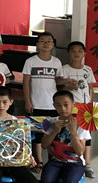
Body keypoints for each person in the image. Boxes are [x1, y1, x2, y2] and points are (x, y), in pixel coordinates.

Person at [22, 32, 73, 172]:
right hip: (36, 103)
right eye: (42, 41)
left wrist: (68, 81)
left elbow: (58, 81)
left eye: (49, 41)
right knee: (38, 135)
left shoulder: (56, 62)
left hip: (53, 105)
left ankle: (54, 160)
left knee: (53, 134)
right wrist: (28, 101)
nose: (46, 43)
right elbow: (26, 83)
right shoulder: (31, 61)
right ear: (37, 44)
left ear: (53, 44)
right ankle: (38, 161)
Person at [41, 90, 90, 183]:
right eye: (58, 105)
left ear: (73, 105)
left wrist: (73, 133)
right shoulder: (49, 122)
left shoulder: (81, 124)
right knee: (46, 182)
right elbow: (44, 145)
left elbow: (80, 152)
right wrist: (55, 131)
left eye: (66, 105)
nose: (63, 109)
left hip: (75, 163)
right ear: (54, 105)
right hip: (55, 161)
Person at [60, 41, 96, 178]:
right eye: (73, 50)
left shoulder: (88, 70)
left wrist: (91, 106)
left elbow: (91, 88)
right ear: (68, 53)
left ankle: (87, 163)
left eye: (80, 51)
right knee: (72, 133)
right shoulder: (64, 69)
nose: (76, 53)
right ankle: (71, 160)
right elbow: (59, 88)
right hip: (71, 108)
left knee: (86, 135)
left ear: (84, 54)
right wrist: (68, 87)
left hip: (85, 108)